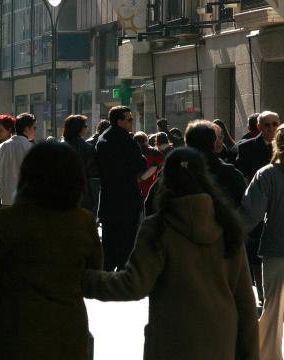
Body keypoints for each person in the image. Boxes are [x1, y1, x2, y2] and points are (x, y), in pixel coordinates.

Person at [84, 147, 259, 359]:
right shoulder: (228, 226)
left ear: (166, 182)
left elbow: (133, 285)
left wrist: (85, 279)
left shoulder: (158, 228)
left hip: (170, 341)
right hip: (220, 340)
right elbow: (246, 305)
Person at [0, 142, 103, 359]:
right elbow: (93, 274)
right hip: (67, 332)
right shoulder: (83, 221)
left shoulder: (4, 220)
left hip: (12, 332)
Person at [240, 124, 284, 360]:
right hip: (276, 247)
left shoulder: (267, 174)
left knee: (274, 309)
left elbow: (250, 214)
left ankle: (268, 355)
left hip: (277, 250)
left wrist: (230, 237)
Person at [96, 106, 148, 271]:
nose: (132, 122)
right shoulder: (125, 139)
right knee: (127, 238)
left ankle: (108, 269)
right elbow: (140, 164)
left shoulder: (103, 138)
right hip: (127, 197)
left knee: (110, 239)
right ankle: (123, 272)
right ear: (119, 121)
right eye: (129, 119)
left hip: (108, 197)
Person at [0, 113, 37, 206]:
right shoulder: (31, 148)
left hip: (5, 199)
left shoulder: (1, 147)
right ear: (27, 129)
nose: (35, 131)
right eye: (34, 128)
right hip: (26, 201)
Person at [63, 114, 99, 211]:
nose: (86, 128)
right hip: (83, 193)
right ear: (79, 128)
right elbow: (92, 172)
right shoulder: (87, 148)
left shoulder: (59, 147)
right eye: (85, 126)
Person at [133, 131, 163, 199]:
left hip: (135, 186)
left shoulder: (130, 153)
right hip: (151, 185)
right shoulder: (156, 153)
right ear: (146, 140)